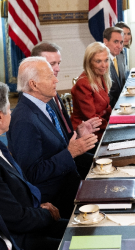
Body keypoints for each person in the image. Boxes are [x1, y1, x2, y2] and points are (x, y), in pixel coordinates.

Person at [7, 57, 98, 219]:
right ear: (33, 84)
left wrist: (78, 134)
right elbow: (32, 174)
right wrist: (70, 153)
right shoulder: (23, 120)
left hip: (71, 181)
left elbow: (57, 145)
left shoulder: (47, 103)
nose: (56, 79)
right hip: (57, 198)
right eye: (50, 77)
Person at [0, 82, 67, 250]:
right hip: (22, 238)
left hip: (32, 216)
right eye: (9, 109)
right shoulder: (24, 120)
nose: (12, 112)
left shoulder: (2, 147)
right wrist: (47, 214)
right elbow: (17, 219)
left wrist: (39, 207)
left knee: (87, 229)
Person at [31, 41, 102, 179]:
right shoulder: (35, 103)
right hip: (58, 167)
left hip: (69, 151)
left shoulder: (51, 91)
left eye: (59, 63)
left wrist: (79, 133)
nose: (57, 68)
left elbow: (61, 133)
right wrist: (70, 152)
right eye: (52, 64)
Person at [70, 42, 112, 141]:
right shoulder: (84, 83)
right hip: (87, 132)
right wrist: (112, 125)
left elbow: (106, 107)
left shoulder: (101, 76)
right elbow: (91, 117)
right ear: (89, 63)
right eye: (98, 61)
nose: (104, 65)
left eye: (106, 60)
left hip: (101, 126)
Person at [103, 27, 124, 108]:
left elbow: (122, 83)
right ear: (105, 42)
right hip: (110, 107)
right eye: (116, 42)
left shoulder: (120, 56)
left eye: (121, 42)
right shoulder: (102, 61)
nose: (119, 46)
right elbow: (105, 94)